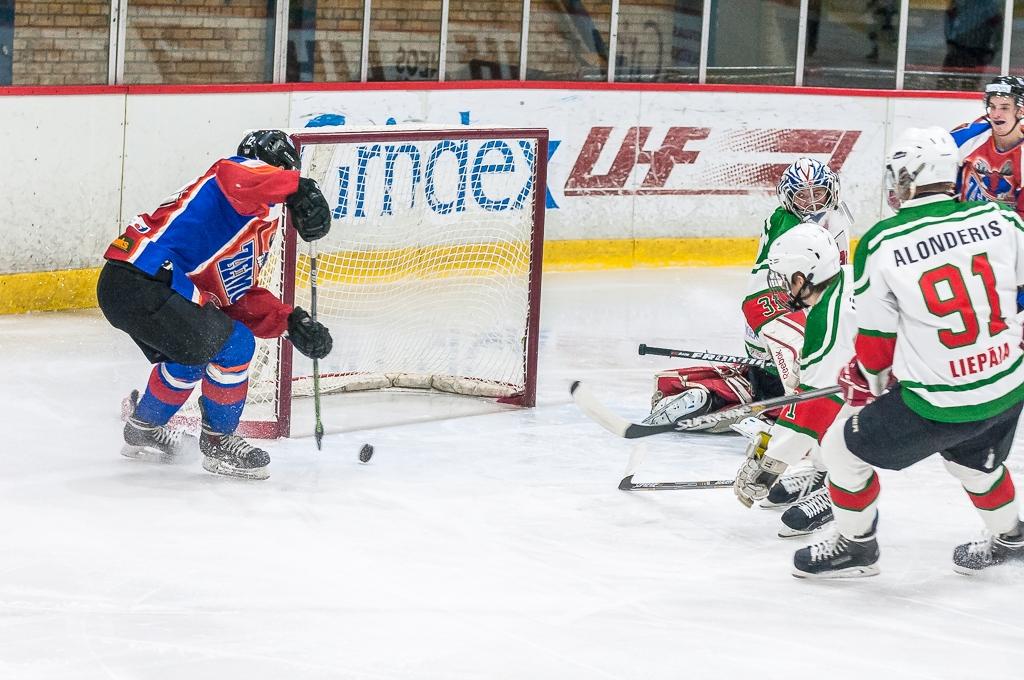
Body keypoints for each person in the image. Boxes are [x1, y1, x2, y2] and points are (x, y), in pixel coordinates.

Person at [792, 126, 1024, 579]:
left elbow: (877, 348)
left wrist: (868, 380)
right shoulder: (1003, 221)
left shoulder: (883, 243)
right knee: (974, 463)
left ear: (907, 177)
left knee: (840, 451)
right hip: (1008, 384)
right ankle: (1012, 535)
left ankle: (857, 547)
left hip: (939, 402)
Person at [96, 130, 334, 481]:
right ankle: (219, 442)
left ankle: (143, 428)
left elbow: (228, 298)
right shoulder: (234, 177)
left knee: (195, 351)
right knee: (235, 345)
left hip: (132, 284)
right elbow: (239, 174)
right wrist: (299, 187)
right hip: (142, 278)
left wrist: (289, 322)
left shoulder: (244, 224)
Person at [647, 158, 850, 508]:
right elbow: (771, 289)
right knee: (789, 390)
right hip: (779, 313)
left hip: (799, 309)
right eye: (803, 195)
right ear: (789, 198)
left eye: (819, 192)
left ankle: (731, 399)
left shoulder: (837, 217)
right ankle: (763, 423)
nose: (813, 202)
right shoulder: (785, 225)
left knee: (794, 391)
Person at [732, 223, 854, 539]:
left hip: (928, 393)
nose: (785, 289)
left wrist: (768, 463)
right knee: (843, 392)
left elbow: (812, 408)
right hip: (932, 370)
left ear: (802, 279)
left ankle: (840, 488)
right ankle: (822, 472)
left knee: (843, 413)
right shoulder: (847, 279)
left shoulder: (828, 328)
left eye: (788, 280)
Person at [950, 76, 1024, 216]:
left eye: (1004, 108)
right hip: (960, 229)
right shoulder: (970, 136)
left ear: (1021, 111)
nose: (995, 114)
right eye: (993, 107)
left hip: (1005, 233)